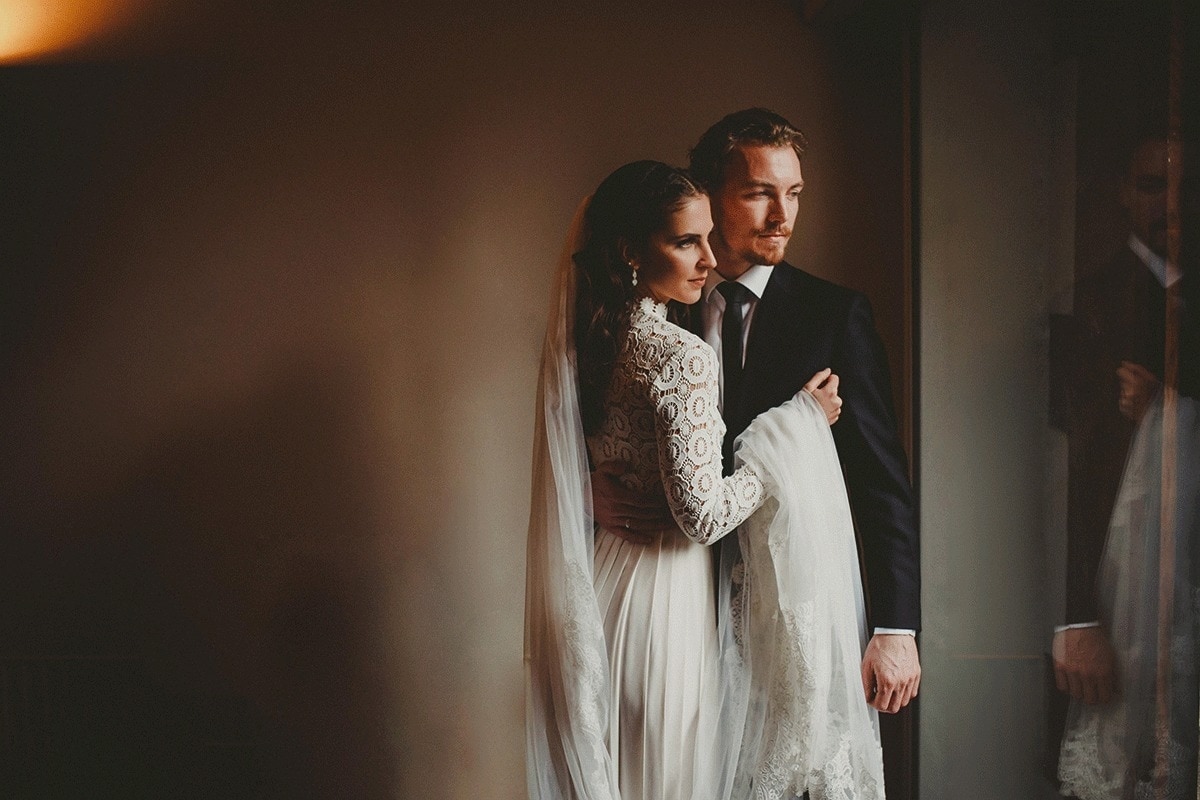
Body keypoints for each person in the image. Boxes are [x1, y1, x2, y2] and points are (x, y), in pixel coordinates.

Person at [525, 160, 885, 799]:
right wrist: (794, 430)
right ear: (632, 251)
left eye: (708, 238)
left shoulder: (590, 339)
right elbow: (704, 516)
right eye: (687, 242)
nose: (710, 260)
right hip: (666, 602)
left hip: (604, 585)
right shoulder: (681, 353)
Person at [593, 109, 921, 714]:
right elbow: (595, 425)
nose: (782, 216)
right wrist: (592, 488)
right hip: (670, 606)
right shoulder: (653, 303)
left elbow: (881, 481)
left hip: (786, 612)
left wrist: (896, 628)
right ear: (709, 194)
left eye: (793, 193)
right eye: (759, 193)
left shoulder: (835, 316)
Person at [1054, 129, 1200, 798]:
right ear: (1121, 193)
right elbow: (1060, 476)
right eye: (1152, 185)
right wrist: (1077, 617)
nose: (1173, 204)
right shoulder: (1088, 304)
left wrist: (1171, 412)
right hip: (1122, 601)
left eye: (1186, 187)